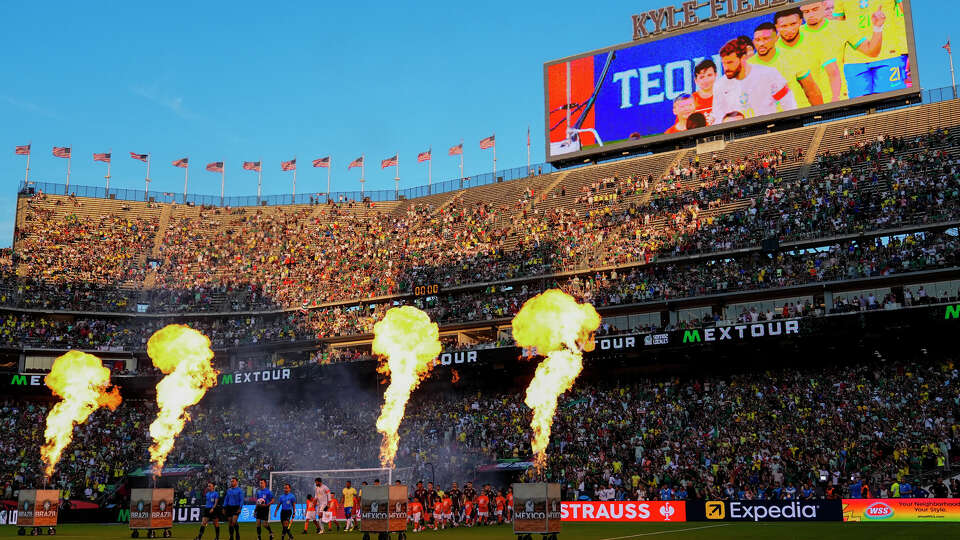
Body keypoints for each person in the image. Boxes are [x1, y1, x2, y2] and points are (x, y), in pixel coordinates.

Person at [712, 38, 797, 122]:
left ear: (743, 58)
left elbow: (789, 104)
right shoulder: (720, 85)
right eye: (724, 63)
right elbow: (718, 117)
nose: (726, 68)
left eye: (730, 62)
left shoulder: (769, 74)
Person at [832, 0, 906, 97]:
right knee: (857, 106)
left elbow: (909, 12)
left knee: (891, 101)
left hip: (887, 55)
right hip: (853, 60)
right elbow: (839, 27)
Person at [749, 19, 822, 109]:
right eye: (757, 40)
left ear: (776, 39)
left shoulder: (793, 56)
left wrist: (821, 115)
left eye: (765, 39)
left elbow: (811, 91)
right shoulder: (748, 66)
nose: (761, 43)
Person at [692, 59, 717, 124]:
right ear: (696, 80)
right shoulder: (690, 101)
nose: (706, 80)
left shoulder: (724, 95)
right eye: (702, 77)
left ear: (716, 75)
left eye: (709, 75)